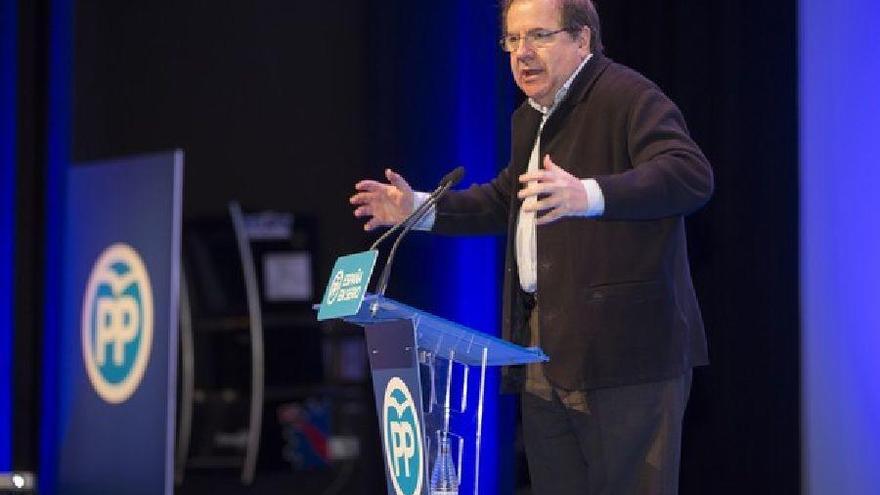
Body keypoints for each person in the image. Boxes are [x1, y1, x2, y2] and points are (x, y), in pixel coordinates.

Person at [350, 0, 713, 493]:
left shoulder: (626, 95)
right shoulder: (531, 117)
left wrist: (586, 194)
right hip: (543, 351)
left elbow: (689, 175)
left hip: (625, 354)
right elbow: (507, 200)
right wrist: (417, 207)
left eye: (539, 36)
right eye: (513, 40)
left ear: (582, 39)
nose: (523, 54)